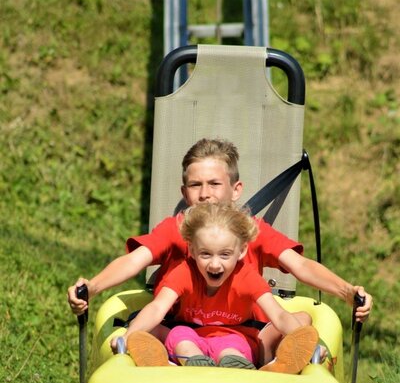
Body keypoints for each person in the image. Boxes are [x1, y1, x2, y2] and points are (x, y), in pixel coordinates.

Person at [67, 138, 372, 365]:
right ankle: (167, 358)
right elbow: (134, 262)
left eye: (214, 183)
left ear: (235, 190)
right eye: (195, 185)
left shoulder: (253, 231)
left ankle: (279, 364)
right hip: (181, 328)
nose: (205, 193)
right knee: (149, 328)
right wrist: (92, 288)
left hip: (244, 332)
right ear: (184, 192)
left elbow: (301, 267)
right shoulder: (176, 229)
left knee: (300, 320)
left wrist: (346, 292)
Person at [121, 202, 319, 373]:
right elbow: (157, 308)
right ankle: (189, 364)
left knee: (231, 349)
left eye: (225, 255)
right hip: (190, 335)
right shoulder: (185, 272)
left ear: (241, 251)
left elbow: (279, 315)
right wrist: (128, 336)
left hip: (235, 337)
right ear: (192, 250)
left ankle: (235, 368)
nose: (215, 265)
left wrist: (306, 343)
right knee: (180, 337)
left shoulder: (247, 276)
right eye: (206, 254)